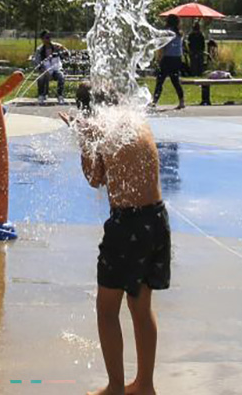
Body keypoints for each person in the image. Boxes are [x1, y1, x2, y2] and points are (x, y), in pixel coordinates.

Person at [60, 86, 169, 395]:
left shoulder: (100, 126)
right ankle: (145, 385)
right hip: (157, 221)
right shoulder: (137, 121)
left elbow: (95, 177)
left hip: (128, 225)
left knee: (107, 310)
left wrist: (81, 137)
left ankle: (116, 387)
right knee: (140, 306)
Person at [150, 15, 185, 109]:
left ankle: (154, 101)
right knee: (175, 80)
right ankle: (181, 101)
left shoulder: (168, 32)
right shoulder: (179, 33)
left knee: (160, 80)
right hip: (177, 58)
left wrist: (158, 58)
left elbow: (163, 46)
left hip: (168, 58)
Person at [33, 30, 68, 102]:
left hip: (56, 69)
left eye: (50, 37)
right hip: (45, 70)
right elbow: (37, 62)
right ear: (42, 39)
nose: (49, 39)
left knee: (61, 76)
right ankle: (41, 95)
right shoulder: (40, 50)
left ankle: (60, 95)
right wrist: (44, 70)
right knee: (41, 77)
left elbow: (67, 54)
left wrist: (64, 49)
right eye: (47, 37)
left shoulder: (56, 47)